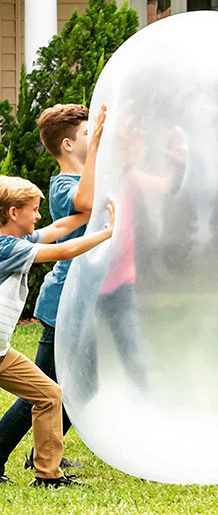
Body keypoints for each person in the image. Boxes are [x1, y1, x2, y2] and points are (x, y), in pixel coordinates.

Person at [0, 103, 105, 475]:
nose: (95, 139)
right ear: (67, 145)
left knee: (76, 386)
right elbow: (83, 209)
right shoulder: (64, 184)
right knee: (45, 391)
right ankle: (25, 455)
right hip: (62, 301)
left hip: (86, 299)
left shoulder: (92, 176)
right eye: (87, 135)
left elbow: (67, 224)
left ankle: (47, 451)